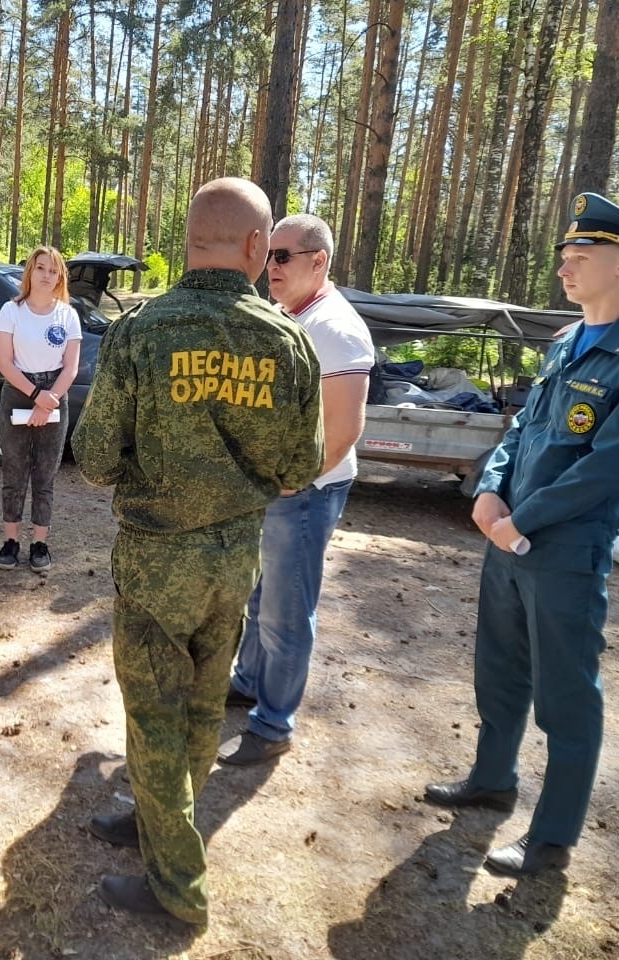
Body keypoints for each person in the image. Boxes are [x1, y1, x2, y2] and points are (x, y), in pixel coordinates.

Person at [72, 177, 325, 924]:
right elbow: (298, 469)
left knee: (155, 717)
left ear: (190, 240)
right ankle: (157, 825)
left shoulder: (142, 331)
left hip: (155, 561)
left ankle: (176, 891)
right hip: (232, 561)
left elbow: (92, 456)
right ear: (255, 247)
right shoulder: (285, 340)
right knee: (203, 710)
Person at [424, 193, 619, 877]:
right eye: (564, 258)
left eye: (581, 257)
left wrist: (519, 521)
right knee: (499, 670)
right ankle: (491, 778)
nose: (565, 269)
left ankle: (552, 838)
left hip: (564, 549)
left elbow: (608, 467)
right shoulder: (568, 341)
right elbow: (521, 430)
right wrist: (487, 488)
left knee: (566, 695)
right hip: (507, 533)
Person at [219, 214, 374, 765]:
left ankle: (273, 724)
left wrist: (293, 482)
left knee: (287, 611)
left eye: (283, 257)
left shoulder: (334, 328)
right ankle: (250, 681)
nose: (270, 267)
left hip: (305, 493)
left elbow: (344, 428)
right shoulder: (290, 315)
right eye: (269, 255)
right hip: (278, 489)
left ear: (319, 262)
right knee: (262, 598)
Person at [0, 245, 82, 571]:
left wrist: (51, 399)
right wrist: (35, 395)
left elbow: (71, 368)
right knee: (14, 471)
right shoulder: (11, 311)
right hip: (18, 391)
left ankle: (39, 544)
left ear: (60, 276)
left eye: (53, 270)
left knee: (45, 475)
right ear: (30, 271)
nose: (47, 275)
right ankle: (11, 542)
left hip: (56, 394)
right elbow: (5, 363)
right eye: (40, 268)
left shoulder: (68, 315)